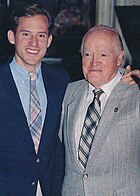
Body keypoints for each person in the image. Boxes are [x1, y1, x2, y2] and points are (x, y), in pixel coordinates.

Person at [60, 25, 140, 195]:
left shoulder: (136, 92)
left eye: (103, 54)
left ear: (119, 58)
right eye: (87, 54)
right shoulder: (68, 93)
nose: (94, 62)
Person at [0, 3, 70, 196]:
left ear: (48, 40)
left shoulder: (61, 80)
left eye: (40, 35)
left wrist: (125, 82)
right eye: (26, 34)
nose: (34, 43)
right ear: (11, 37)